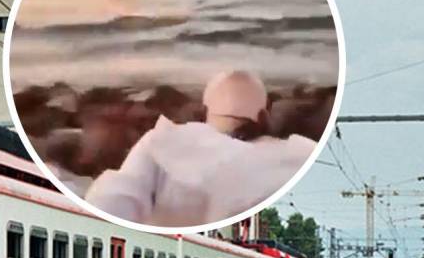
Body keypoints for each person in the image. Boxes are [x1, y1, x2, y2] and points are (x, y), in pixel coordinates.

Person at [86, 71, 317, 227]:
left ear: (205, 111)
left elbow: (111, 203)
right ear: (264, 115)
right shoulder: (298, 154)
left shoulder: (163, 142)